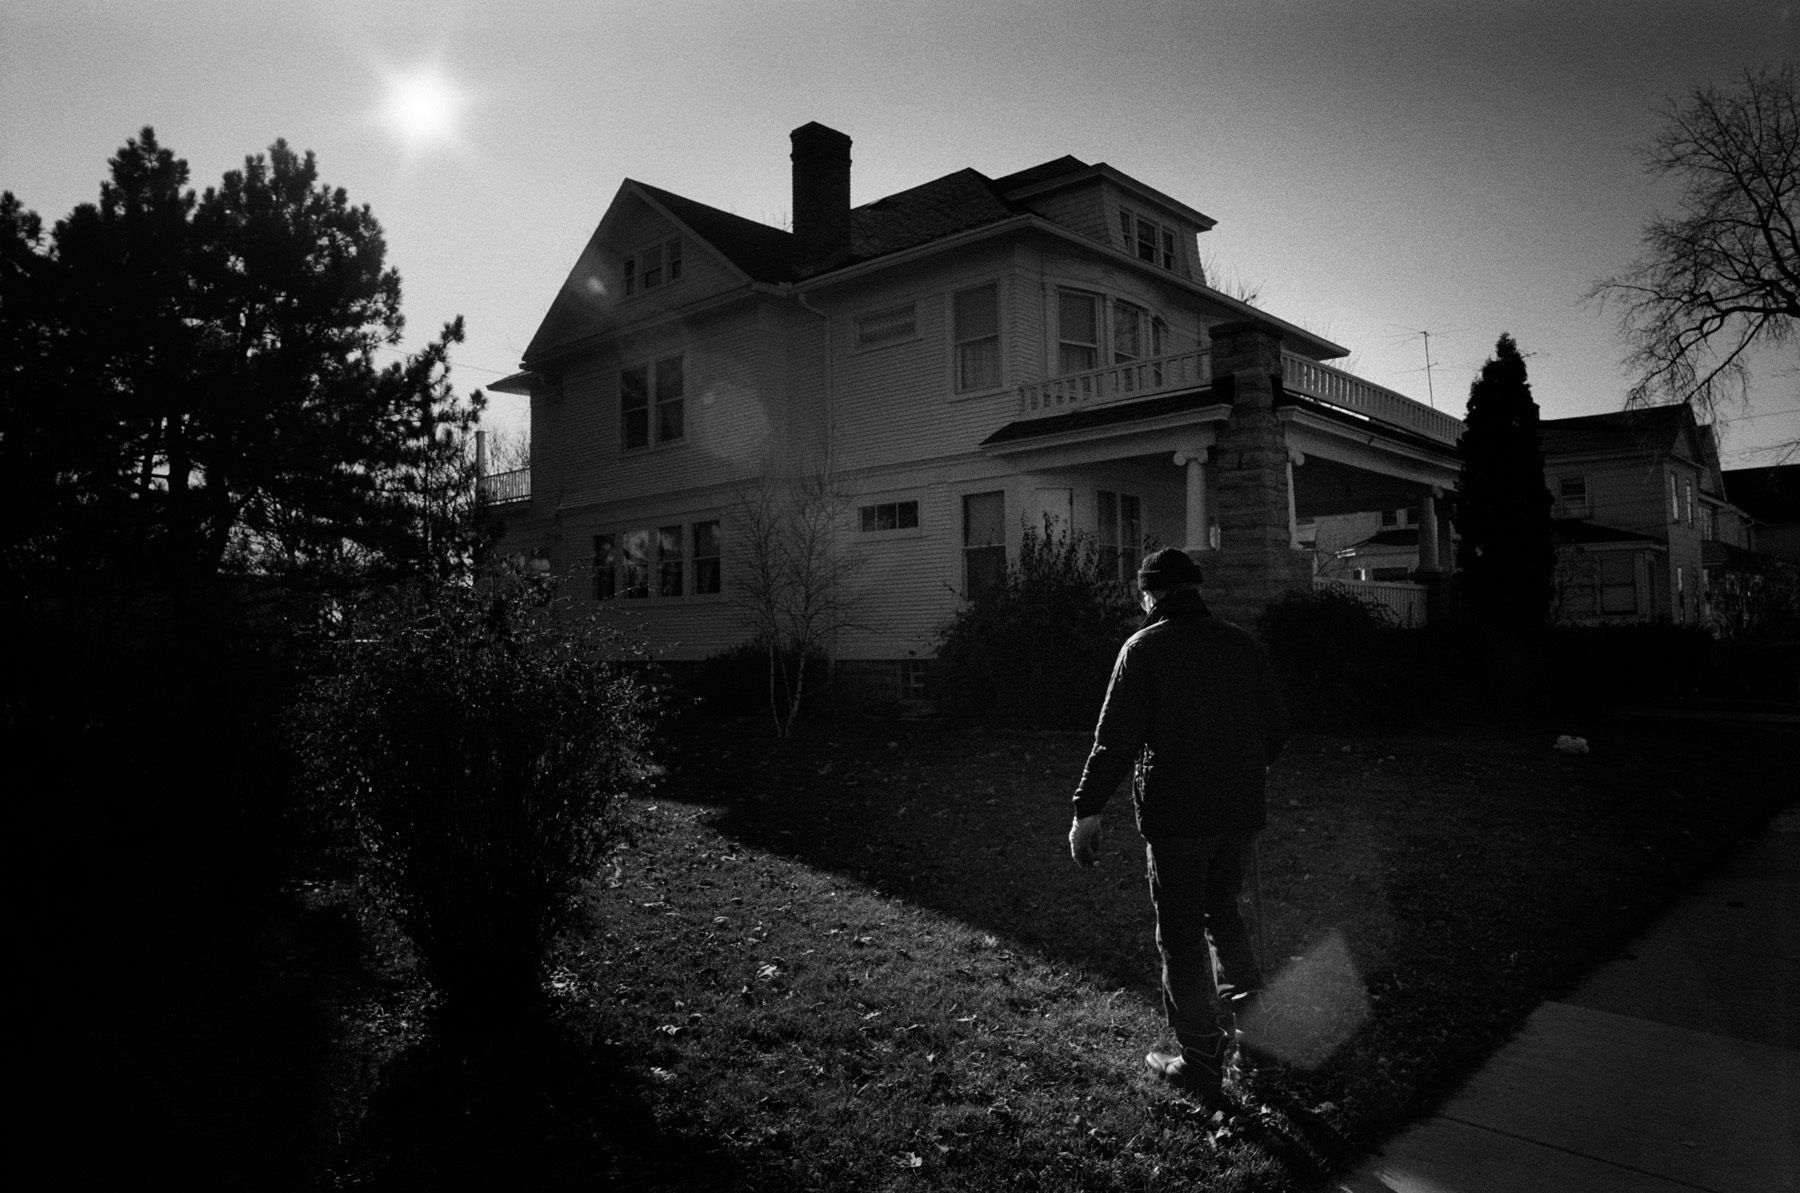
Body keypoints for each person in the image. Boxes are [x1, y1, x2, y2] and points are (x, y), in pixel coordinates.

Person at [1069, 547, 1289, 1105]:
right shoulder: (1241, 644)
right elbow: (1277, 729)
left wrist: (1085, 811)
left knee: (1182, 937)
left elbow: (1114, 739)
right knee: (1226, 918)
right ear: (1194, 589)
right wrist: (1245, 769)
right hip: (1239, 814)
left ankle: (1199, 1063)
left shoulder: (1143, 648)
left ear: (1151, 594)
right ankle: (1255, 1046)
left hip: (1178, 817)